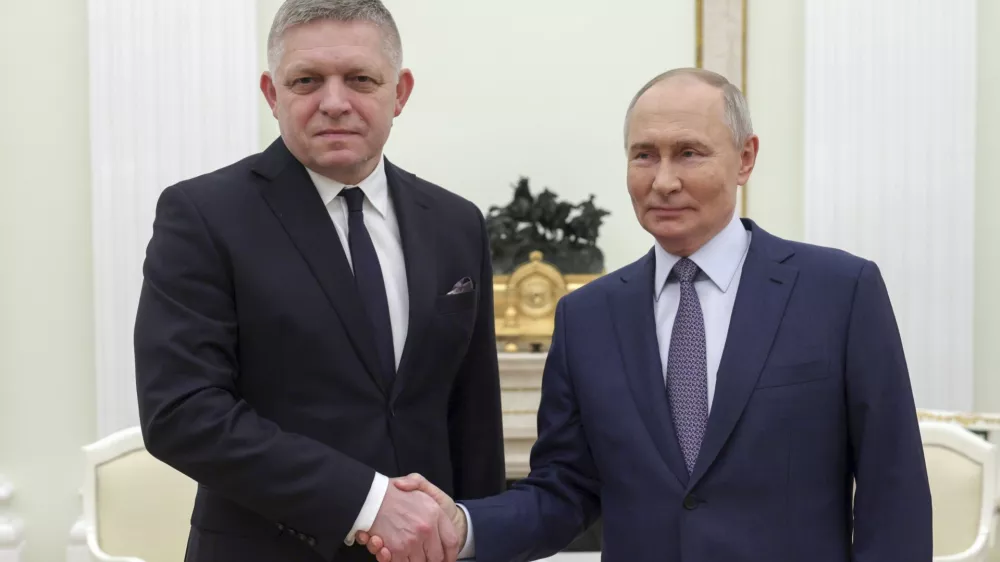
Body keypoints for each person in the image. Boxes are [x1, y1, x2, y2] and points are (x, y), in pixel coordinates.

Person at [358, 68, 933, 562]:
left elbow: (893, 489)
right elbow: (566, 489)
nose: (663, 181)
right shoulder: (586, 317)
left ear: (746, 158)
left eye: (689, 152)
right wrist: (463, 527)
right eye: (644, 156)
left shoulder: (839, 291)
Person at [133, 1, 506, 560]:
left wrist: (481, 539)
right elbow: (181, 412)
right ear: (271, 93)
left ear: (399, 92)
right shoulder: (203, 215)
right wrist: (368, 500)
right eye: (307, 81)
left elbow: (473, 416)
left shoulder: (456, 222)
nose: (335, 103)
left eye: (359, 79)